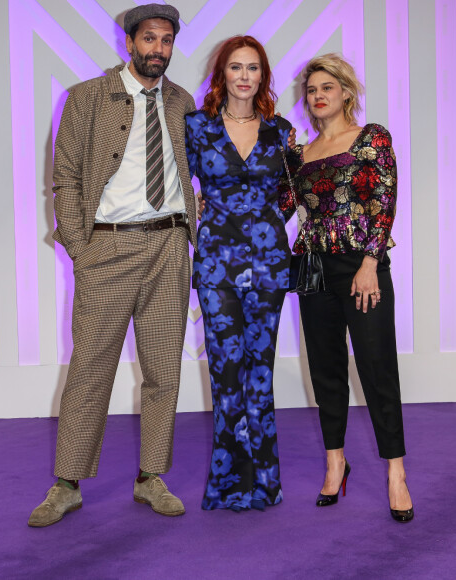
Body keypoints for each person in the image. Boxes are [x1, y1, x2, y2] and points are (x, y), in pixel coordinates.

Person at [28, 3, 197, 527]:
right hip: (108, 249)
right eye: (150, 39)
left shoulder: (183, 103)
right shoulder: (84, 98)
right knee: (90, 369)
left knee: (164, 371)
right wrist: (82, 248)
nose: (159, 50)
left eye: (167, 41)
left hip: (169, 248)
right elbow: (67, 180)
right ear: (130, 42)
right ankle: (67, 483)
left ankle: (151, 477)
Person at [279, 54, 414, 522]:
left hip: (361, 265)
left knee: (377, 368)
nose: (317, 96)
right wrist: (278, 152)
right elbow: (282, 202)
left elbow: (384, 200)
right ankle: (336, 463)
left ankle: (396, 472)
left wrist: (370, 262)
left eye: (326, 88)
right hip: (313, 267)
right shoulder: (301, 153)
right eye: (312, 90)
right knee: (326, 369)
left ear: (345, 93)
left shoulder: (371, 138)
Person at [185, 35, 293, 511]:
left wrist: (266, 224)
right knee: (227, 375)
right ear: (222, 74)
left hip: (269, 267)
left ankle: (264, 482)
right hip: (216, 267)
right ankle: (228, 484)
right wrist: (203, 214)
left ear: (262, 76)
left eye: (253, 68)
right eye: (236, 67)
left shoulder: (281, 131)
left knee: (260, 374)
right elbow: (176, 187)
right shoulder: (197, 127)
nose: (245, 76)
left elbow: (290, 194)